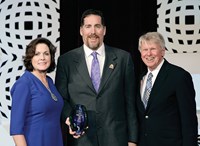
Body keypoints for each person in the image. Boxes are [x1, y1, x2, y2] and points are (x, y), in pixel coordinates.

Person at [55, 9, 138, 146]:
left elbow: (130, 102)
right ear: (81, 30)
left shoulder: (123, 59)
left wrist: (133, 139)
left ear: (104, 30)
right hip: (81, 140)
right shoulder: (66, 61)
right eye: (88, 26)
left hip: (116, 139)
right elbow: (61, 99)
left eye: (97, 26)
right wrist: (71, 119)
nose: (93, 32)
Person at [136, 31, 198, 146]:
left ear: (163, 51)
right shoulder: (140, 78)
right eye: (145, 50)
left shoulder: (179, 76)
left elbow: (189, 120)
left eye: (153, 49)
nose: (148, 54)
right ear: (141, 53)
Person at [10, 37, 64, 146]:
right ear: (30, 58)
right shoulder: (24, 84)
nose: (42, 58)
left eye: (46, 54)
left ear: (51, 57)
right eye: (37, 54)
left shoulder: (50, 82)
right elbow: (16, 130)